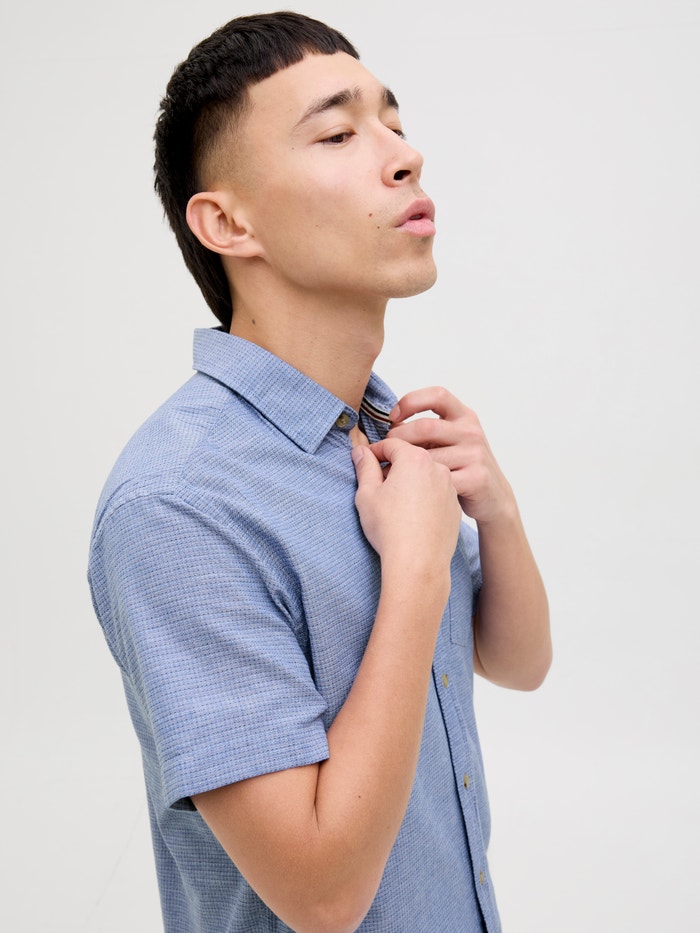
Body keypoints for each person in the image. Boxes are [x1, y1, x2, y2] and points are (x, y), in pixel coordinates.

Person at [88, 11, 551, 933]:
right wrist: (414, 570)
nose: (404, 156)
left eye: (394, 122)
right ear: (227, 222)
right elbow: (321, 895)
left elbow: (518, 661)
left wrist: (494, 509)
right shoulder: (178, 504)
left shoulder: (381, 432)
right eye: (338, 134)